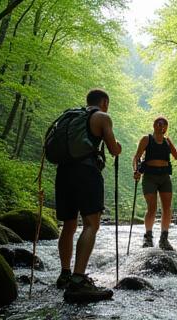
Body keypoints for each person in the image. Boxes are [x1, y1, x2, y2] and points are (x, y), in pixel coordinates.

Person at [55, 89, 121, 302]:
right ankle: (78, 280)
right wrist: (118, 147)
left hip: (63, 173)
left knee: (69, 225)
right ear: (104, 102)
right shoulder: (102, 117)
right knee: (91, 224)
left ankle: (65, 274)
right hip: (86, 172)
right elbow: (113, 149)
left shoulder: (71, 116)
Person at [132, 116, 177, 251]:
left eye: (164, 124)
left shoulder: (167, 141)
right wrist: (136, 170)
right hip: (149, 176)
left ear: (166, 127)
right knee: (152, 208)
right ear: (154, 125)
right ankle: (148, 237)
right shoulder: (146, 139)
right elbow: (137, 157)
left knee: (167, 208)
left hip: (164, 177)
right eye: (159, 124)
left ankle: (164, 238)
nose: (161, 126)